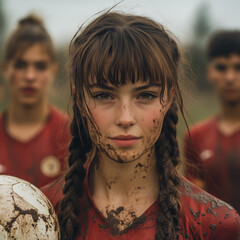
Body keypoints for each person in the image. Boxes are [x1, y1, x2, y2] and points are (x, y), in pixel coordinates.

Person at [42, 12, 240, 240]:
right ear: (80, 100)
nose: (125, 118)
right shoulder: (40, 214)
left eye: (145, 95)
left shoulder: (215, 223)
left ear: (168, 98)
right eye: (104, 95)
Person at [0, 14, 70, 187]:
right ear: (5, 69)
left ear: (53, 71)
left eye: (40, 66)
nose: (30, 76)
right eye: (20, 65)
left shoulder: (71, 135)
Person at [184, 31, 240, 213]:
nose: (230, 77)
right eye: (222, 68)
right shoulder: (195, 136)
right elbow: (194, 204)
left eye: (238, 67)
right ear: (210, 72)